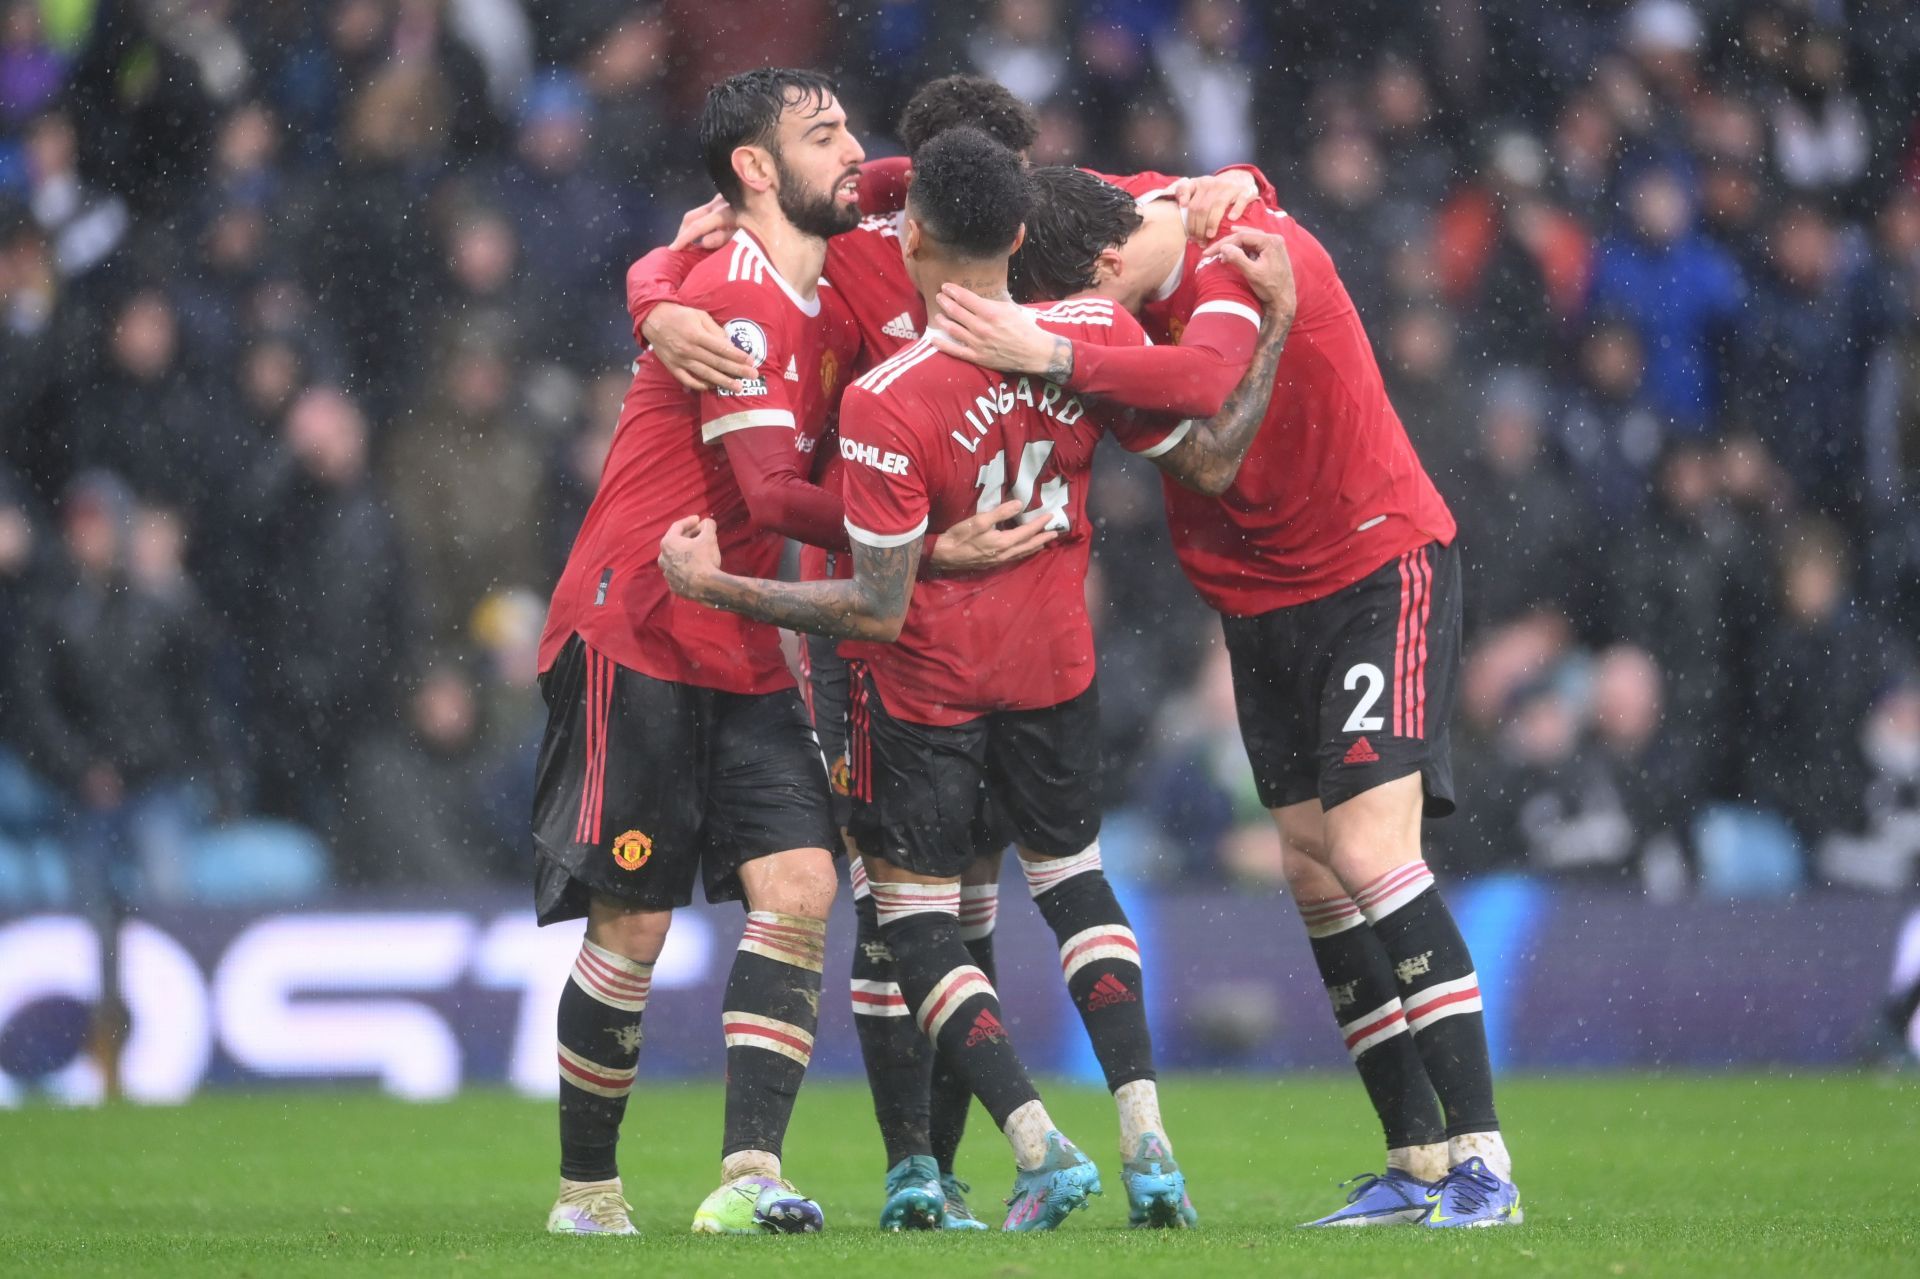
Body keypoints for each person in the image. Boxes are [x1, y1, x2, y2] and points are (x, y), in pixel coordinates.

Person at [624, 71, 1268, 1230]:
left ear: (914, 210)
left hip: (907, 657)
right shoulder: (1079, 325)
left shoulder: (885, 375)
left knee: (909, 916)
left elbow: (801, 513)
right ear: (1017, 223)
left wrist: (731, 579)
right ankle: (1139, 1140)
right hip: (1053, 653)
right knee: (1062, 884)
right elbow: (1199, 421)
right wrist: (1231, 231)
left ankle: (934, 1164)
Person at [929, 165, 1522, 1227]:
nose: (1076, 325)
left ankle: (1486, 1165)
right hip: (1258, 603)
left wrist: (1050, 351)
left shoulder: (1232, 261)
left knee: (1373, 852)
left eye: (1082, 304)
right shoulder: (1144, 200)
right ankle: (1416, 1160)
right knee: (1309, 866)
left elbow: (1205, 384)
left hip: (1367, 566)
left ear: (1107, 268)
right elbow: (1000, 164)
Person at [531, 66, 866, 1239]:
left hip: (743, 628)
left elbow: (940, 176)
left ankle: (751, 1173)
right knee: (633, 920)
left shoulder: (822, 285)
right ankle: (587, 1195)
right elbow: (774, 491)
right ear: (755, 170)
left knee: (801, 886)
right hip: (641, 621)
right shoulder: (737, 290)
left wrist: (647, 282)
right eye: (826, 135)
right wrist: (924, 538)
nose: (855, 153)